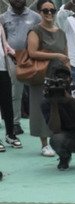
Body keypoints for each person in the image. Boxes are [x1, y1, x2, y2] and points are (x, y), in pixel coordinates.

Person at [26, 0, 69, 158]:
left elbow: (66, 56)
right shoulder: (35, 30)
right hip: (41, 74)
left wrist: (69, 74)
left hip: (59, 74)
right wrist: (55, 55)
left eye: (52, 10)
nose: (49, 13)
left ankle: (58, 140)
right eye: (45, 11)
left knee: (58, 106)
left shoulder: (61, 32)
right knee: (40, 107)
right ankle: (44, 144)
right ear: (39, 12)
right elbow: (32, 52)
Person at [1, 0, 41, 136]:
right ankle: (15, 123)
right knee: (16, 92)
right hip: (12, 59)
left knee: (37, 91)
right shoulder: (3, 18)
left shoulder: (35, 17)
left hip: (32, 58)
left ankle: (40, 122)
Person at [0, 21, 21, 151]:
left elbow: (4, 44)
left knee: (7, 103)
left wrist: (11, 51)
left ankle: (10, 134)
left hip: (3, 69)